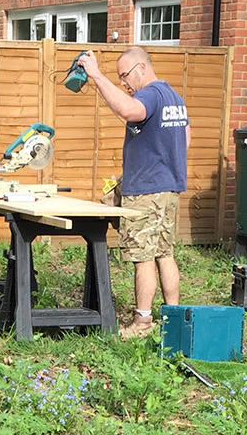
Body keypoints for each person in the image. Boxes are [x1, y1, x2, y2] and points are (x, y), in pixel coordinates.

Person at [76, 46, 191, 338]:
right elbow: (185, 139)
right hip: (168, 188)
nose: (124, 83)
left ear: (141, 68)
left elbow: (129, 110)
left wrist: (98, 76)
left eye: (124, 76)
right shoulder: (174, 98)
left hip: (147, 191)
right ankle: (173, 318)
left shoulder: (150, 94)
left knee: (143, 257)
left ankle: (142, 322)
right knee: (164, 253)